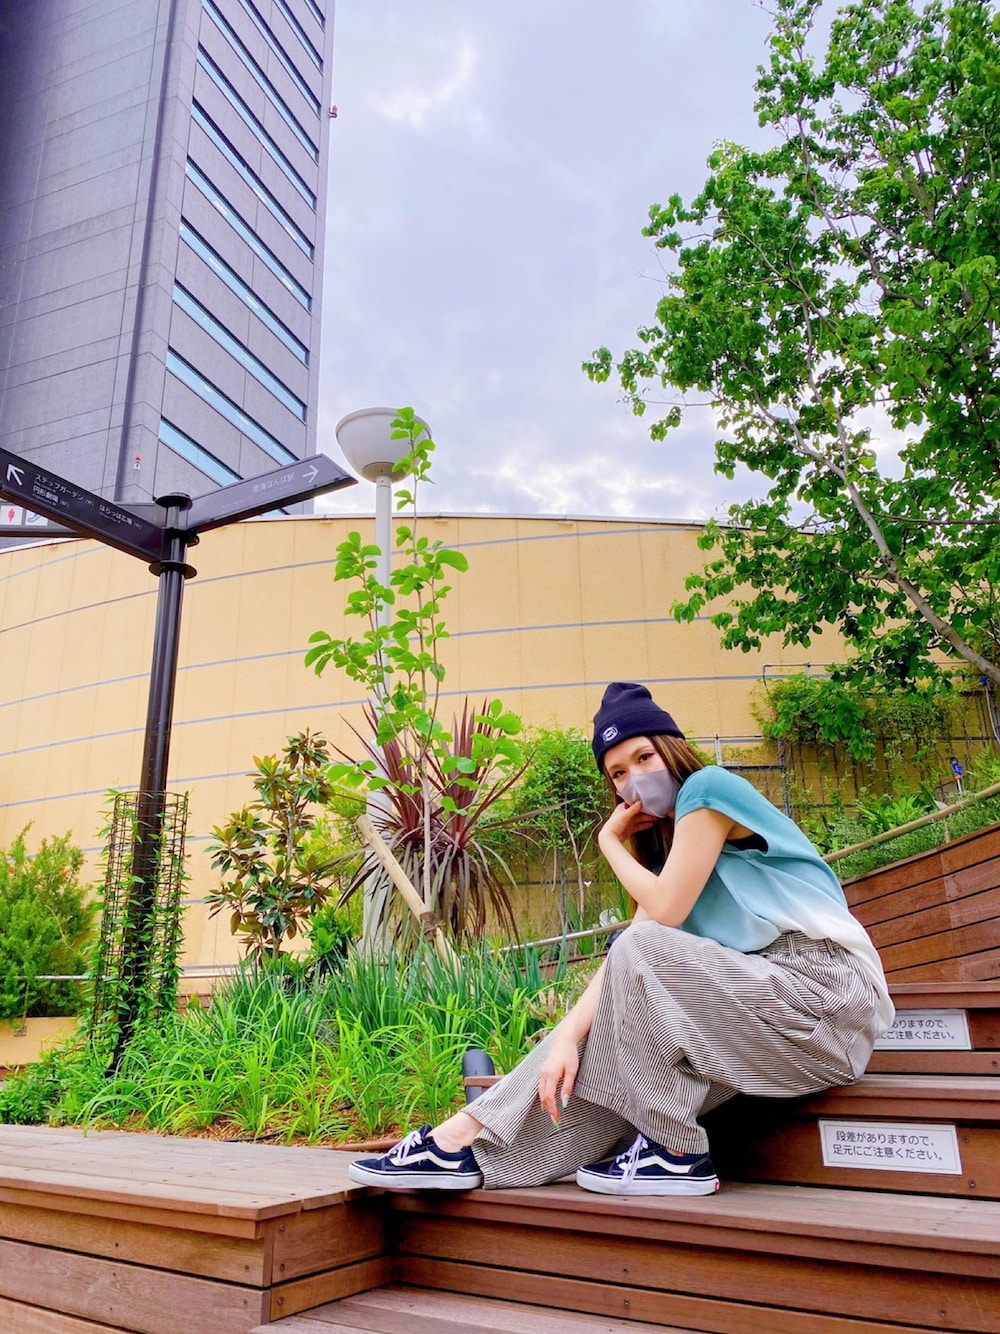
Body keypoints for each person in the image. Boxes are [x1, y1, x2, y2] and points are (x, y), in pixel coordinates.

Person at [348, 682, 893, 1197]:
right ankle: (465, 1146)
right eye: (617, 773)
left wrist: (608, 842)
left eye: (644, 757)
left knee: (639, 953)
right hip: (766, 1021)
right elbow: (625, 961)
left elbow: (659, 919)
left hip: (824, 997)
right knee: (599, 1043)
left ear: (672, 749)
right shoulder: (668, 858)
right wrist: (564, 1040)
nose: (634, 779)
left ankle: (677, 1153)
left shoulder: (709, 788)